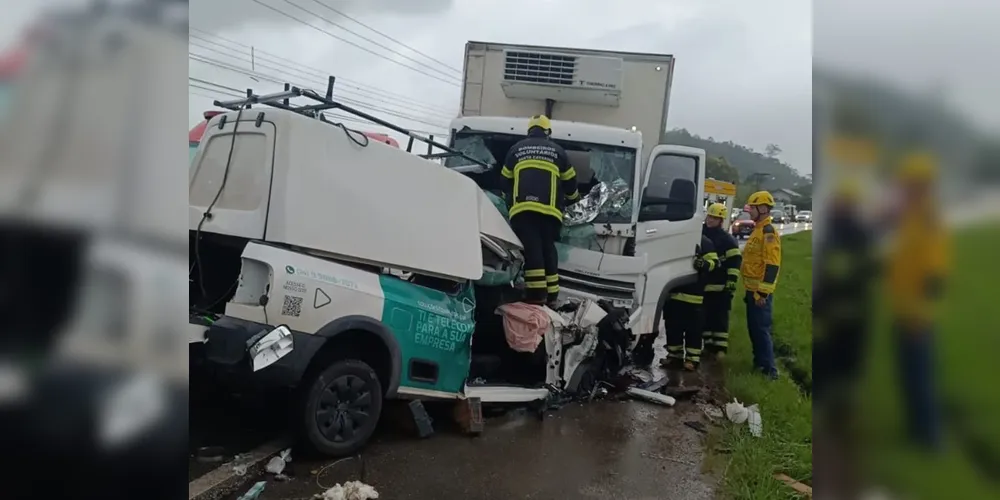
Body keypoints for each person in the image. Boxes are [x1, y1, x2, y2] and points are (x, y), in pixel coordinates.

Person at [885, 150, 949, 451]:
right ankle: (916, 430)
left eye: (911, 184)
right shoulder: (909, 215)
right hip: (902, 309)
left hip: (917, 315)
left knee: (920, 376)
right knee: (908, 375)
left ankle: (929, 436)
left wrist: (919, 314)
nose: (905, 189)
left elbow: (934, 274)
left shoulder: (926, 216)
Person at [500, 115, 579, 305]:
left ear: (529, 131)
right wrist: (573, 200)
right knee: (547, 249)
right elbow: (570, 181)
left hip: (523, 211)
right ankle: (552, 294)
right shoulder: (557, 151)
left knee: (532, 249)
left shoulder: (516, 150)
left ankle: (536, 295)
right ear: (547, 132)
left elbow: (504, 180)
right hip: (550, 213)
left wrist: (507, 200)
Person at [660, 233, 719, 372]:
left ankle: (692, 359)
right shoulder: (673, 238)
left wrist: (703, 264)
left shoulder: (704, 241)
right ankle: (675, 356)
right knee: (673, 327)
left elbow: (714, 264)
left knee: (693, 330)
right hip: (673, 291)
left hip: (694, 294)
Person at [740, 190, 781, 379]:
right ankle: (759, 365)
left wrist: (762, 293)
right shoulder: (757, 229)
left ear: (763, 208)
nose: (749, 212)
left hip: (760, 294)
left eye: (753, 208)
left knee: (761, 331)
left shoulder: (768, 231)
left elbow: (772, 264)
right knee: (754, 330)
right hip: (751, 291)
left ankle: (769, 371)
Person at [701, 203, 741, 359]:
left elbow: (735, 261)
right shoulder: (700, 234)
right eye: (709, 216)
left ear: (721, 221)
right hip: (704, 285)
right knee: (705, 318)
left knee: (720, 318)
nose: (710, 220)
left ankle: (720, 349)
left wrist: (731, 281)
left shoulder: (727, 240)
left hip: (721, 286)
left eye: (715, 218)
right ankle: (708, 346)